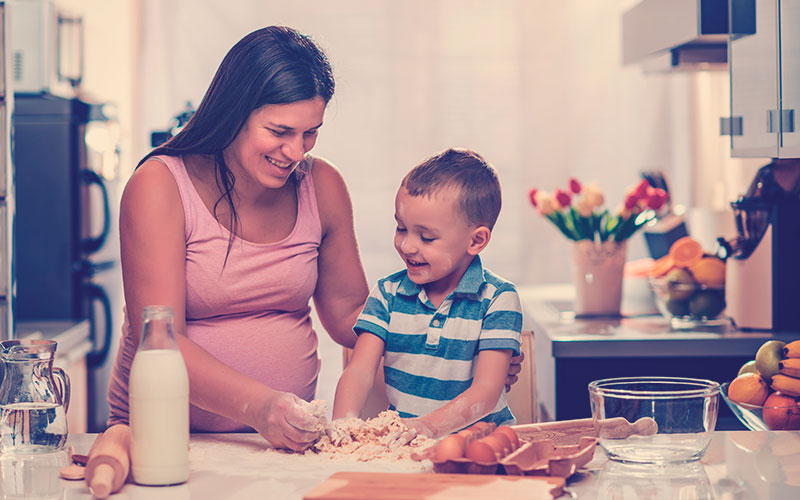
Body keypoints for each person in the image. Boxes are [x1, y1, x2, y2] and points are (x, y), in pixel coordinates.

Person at [108, 26, 523, 452]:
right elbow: (158, 340)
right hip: (165, 438)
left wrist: (470, 345)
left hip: (279, 447)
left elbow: (352, 316)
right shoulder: (159, 186)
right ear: (235, 112)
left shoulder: (320, 185)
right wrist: (258, 407)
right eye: (280, 131)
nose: (295, 152)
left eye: (310, 132)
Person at [332, 148, 522, 439]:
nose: (407, 246)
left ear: (477, 240)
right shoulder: (388, 294)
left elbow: (486, 391)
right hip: (409, 447)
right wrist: (343, 425)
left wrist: (427, 427)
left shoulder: (497, 299)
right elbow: (359, 372)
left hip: (481, 448)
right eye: (401, 228)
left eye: (426, 237)